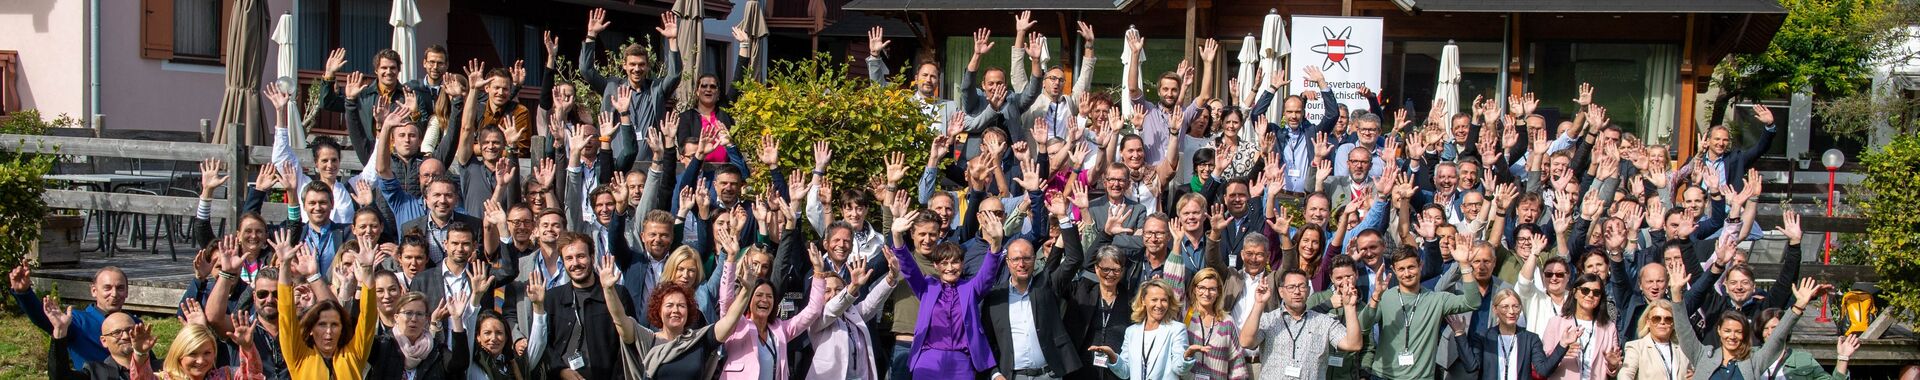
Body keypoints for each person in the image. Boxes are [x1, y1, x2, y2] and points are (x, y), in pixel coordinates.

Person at [890, 209, 1006, 380]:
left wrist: (996, 243)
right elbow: (908, 267)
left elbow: (988, 273)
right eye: (944, 263)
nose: (950, 268)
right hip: (927, 360)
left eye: (955, 262)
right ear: (936, 266)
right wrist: (897, 237)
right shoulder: (926, 286)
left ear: (962, 264)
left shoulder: (970, 288)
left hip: (962, 362)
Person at [1361, 246, 1482, 379]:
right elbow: (1363, 327)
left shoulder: (1437, 299)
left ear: (1421, 265)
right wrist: (1376, 296)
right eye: (1401, 269)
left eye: (1411, 267)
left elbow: (1472, 302)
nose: (1407, 274)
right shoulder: (1385, 297)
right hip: (1384, 376)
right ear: (1394, 270)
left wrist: (1464, 265)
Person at [1675, 276, 1825, 380]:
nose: (1732, 336)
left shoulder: (1754, 360)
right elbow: (1683, 330)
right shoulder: (1702, 355)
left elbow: (1778, 336)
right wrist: (1676, 294)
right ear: (1719, 331)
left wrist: (1799, 306)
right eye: (1727, 331)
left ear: (1745, 334)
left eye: (1738, 332)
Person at [276, 243, 380, 379]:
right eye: (322, 324)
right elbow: (286, 319)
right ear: (311, 329)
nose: (329, 331)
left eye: (335, 324)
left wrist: (367, 270)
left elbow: (368, 319)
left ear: (342, 328)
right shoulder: (299, 357)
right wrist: (284, 266)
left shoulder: (354, 355)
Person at [539, 232, 633, 379]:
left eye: (581, 256)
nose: (575, 263)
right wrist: (561, 371)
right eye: (569, 258)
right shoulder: (552, 298)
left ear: (592, 257)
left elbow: (628, 343)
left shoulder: (617, 295)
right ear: (563, 262)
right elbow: (544, 344)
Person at [1238, 268, 1362, 380]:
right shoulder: (1269, 320)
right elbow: (1246, 342)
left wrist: (1350, 307)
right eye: (1291, 287)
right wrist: (1259, 304)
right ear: (1281, 292)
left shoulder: (1324, 321)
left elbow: (1353, 344)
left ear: (1308, 291)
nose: (1297, 292)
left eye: (1302, 286)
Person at [12, 263, 134, 371]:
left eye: (120, 288)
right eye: (107, 288)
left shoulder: (134, 323)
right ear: (94, 291)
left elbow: (149, 359)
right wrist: (24, 293)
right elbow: (45, 320)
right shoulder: (79, 322)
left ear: (127, 292)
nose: (114, 294)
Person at [1449, 289, 1572, 380]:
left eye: (1515, 306)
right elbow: (1471, 367)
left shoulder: (1531, 338)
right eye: (1505, 307)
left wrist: (1562, 345)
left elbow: (1543, 370)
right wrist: (1460, 334)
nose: (1511, 311)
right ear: (1495, 309)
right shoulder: (1483, 337)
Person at [807, 255, 895, 380]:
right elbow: (833, 308)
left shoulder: (851, 314)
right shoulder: (816, 318)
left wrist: (891, 277)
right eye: (827, 291)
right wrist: (853, 286)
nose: (833, 294)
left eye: (838, 290)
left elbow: (870, 304)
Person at [1087, 279, 1193, 380]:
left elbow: (1179, 369)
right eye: (1154, 300)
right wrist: (1112, 356)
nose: (1159, 305)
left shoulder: (1177, 329)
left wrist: (1186, 357)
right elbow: (1125, 372)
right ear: (1143, 300)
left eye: (1164, 300)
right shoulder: (1131, 332)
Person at [136, 315, 264, 380]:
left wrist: (247, 348)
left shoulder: (225, 376)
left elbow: (252, 376)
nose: (201, 360)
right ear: (179, 354)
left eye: (207, 353)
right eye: (192, 354)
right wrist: (140, 353)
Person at [1755, 308, 1859, 380]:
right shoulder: (1750, 356)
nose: (1770, 332)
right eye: (1765, 328)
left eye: (1775, 328)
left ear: (1786, 329)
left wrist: (1843, 358)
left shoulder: (1803, 360)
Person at [1618, 300, 1691, 380]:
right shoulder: (1636, 347)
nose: (1662, 322)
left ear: (1673, 324)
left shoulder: (1683, 349)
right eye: (1656, 319)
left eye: (1668, 319)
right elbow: (1625, 374)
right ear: (1648, 322)